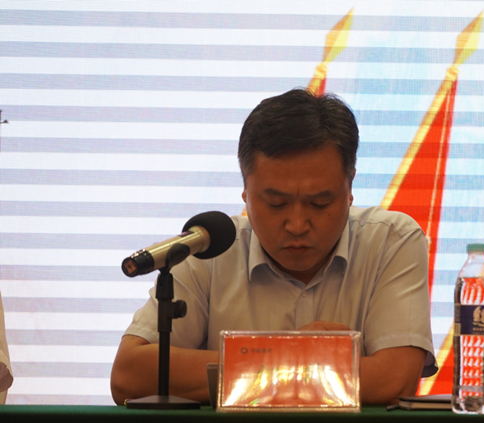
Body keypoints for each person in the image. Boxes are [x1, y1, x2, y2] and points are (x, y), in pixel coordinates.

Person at [111, 89, 437, 406]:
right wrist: (294, 354)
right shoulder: (208, 248)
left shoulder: (391, 241)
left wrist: (256, 365)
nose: (297, 224)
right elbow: (129, 375)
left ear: (350, 186)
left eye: (319, 203)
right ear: (245, 192)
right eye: (276, 203)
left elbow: (394, 379)